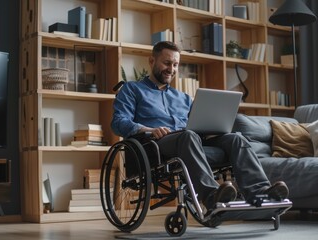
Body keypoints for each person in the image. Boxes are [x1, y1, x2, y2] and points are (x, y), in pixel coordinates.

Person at [111, 41, 289, 212]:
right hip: (156, 144)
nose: (171, 69)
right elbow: (119, 122)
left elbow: (197, 125)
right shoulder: (132, 89)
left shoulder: (184, 98)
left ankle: (261, 191)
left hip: (191, 141)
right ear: (152, 61)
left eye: (175, 65)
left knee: (235, 137)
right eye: (166, 63)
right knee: (188, 136)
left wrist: (215, 127)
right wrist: (148, 129)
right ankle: (211, 195)